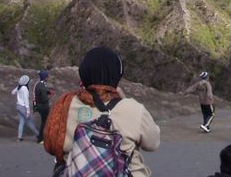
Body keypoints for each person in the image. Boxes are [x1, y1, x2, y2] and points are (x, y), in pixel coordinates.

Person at [43, 47, 160, 177]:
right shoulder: (133, 109)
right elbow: (153, 143)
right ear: (116, 75)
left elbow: (51, 145)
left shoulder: (64, 104)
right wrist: (124, 101)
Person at [11, 74, 40, 142]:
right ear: (26, 82)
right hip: (23, 107)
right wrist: (27, 111)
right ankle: (39, 135)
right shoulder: (25, 89)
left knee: (21, 122)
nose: (29, 82)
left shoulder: (19, 87)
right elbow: (26, 100)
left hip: (18, 106)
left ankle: (19, 137)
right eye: (28, 81)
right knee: (30, 122)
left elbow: (12, 92)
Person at [33, 69, 54, 144]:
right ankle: (41, 139)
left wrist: (48, 91)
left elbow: (41, 92)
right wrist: (50, 96)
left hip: (39, 106)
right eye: (47, 76)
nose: (48, 77)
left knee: (44, 122)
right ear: (44, 77)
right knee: (45, 122)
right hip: (43, 106)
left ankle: (41, 138)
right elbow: (44, 98)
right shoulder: (42, 85)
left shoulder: (39, 84)